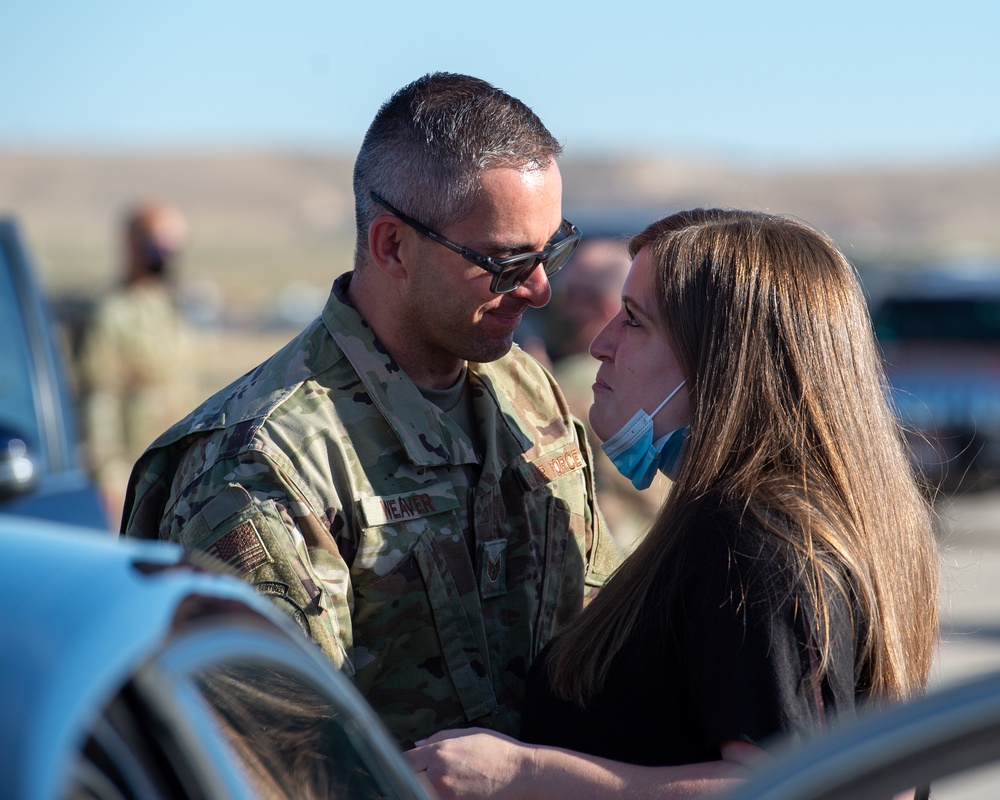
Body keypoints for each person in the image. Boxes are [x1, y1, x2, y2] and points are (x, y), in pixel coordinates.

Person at [121, 72, 620, 747]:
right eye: (505, 261)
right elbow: (281, 761)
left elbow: (598, 632)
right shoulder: (261, 465)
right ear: (392, 247)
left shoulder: (524, 389)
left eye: (550, 251)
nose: (537, 290)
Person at [405, 208, 940, 798]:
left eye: (633, 321)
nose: (604, 343)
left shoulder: (750, 534)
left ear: (722, 362)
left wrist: (521, 774)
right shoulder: (803, 517)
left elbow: (783, 786)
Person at [547, 236, 668, 550]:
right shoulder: (658, 386)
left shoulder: (572, 387)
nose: (558, 305)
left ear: (603, 306)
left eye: (571, 295)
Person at [77, 201, 191, 528]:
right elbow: (99, 397)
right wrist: (109, 475)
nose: (168, 253)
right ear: (135, 245)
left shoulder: (171, 308)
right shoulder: (113, 314)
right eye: (160, 243)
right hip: (136, 474)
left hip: (179, 468)